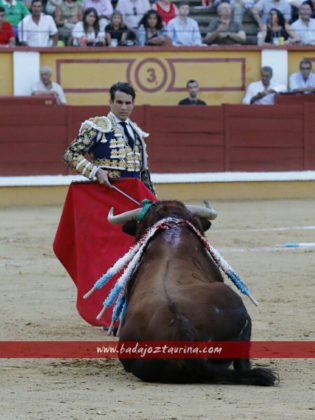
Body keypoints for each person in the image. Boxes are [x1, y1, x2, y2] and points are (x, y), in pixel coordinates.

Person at [63, 81, 155, 193]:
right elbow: (70, 155)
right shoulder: (98, 126)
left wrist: (152, 200)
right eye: (119, 102)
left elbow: (143, 172)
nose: (124, 107)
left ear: (133, 104)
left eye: (128, 103)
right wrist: (95, 171)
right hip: (108, 193)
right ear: (111, 102)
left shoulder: (137, 132)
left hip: (134, 195)